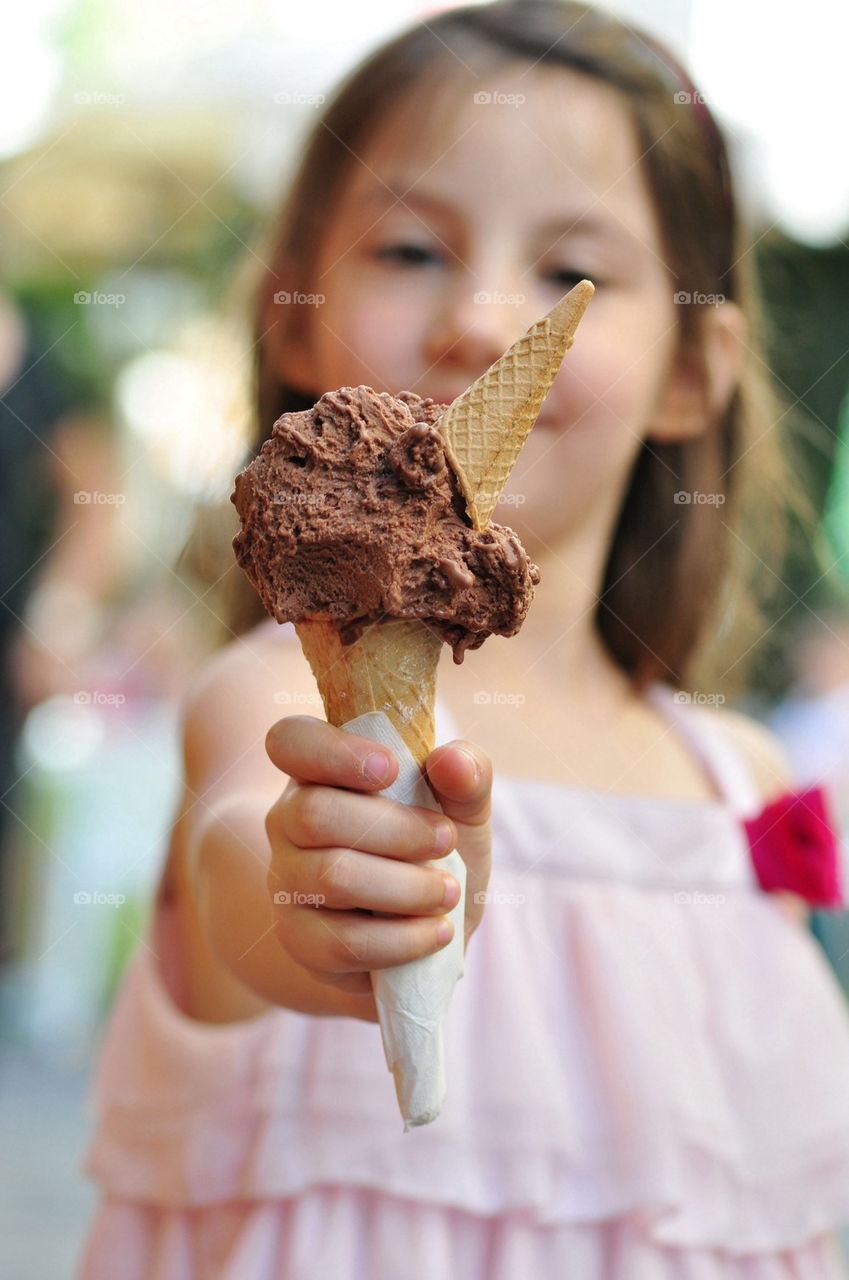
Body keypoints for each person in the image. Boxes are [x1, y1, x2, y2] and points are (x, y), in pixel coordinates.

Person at [79, 3, 849, 1276]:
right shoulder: (272, 700)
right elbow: (246, 869)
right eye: (408, 248)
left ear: (693, 369)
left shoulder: (741, 783)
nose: (483, 320)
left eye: (567, 272)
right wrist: (328, 893)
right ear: (293, 317)